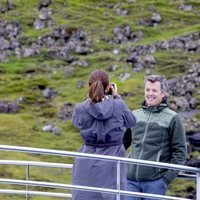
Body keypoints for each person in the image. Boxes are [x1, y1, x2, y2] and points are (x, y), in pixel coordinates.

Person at [72, 69, 136, 200]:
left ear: (89, 87)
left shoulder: (81, 108)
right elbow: (131, 122)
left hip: (87, 162)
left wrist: (89, 99)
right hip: (113, 160)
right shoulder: (119, 105)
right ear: (108, 87)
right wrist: (117, 97)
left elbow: (76, 123)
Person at [123, 75, 187, 200]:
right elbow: (121, 144)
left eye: (154, 90)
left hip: (155, 184)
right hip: (130, 182)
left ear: (163, 93)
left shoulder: (173, 118)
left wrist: (165, 179)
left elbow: (180, 152)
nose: (150, 94)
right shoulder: (135, 115)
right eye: (147, 90)